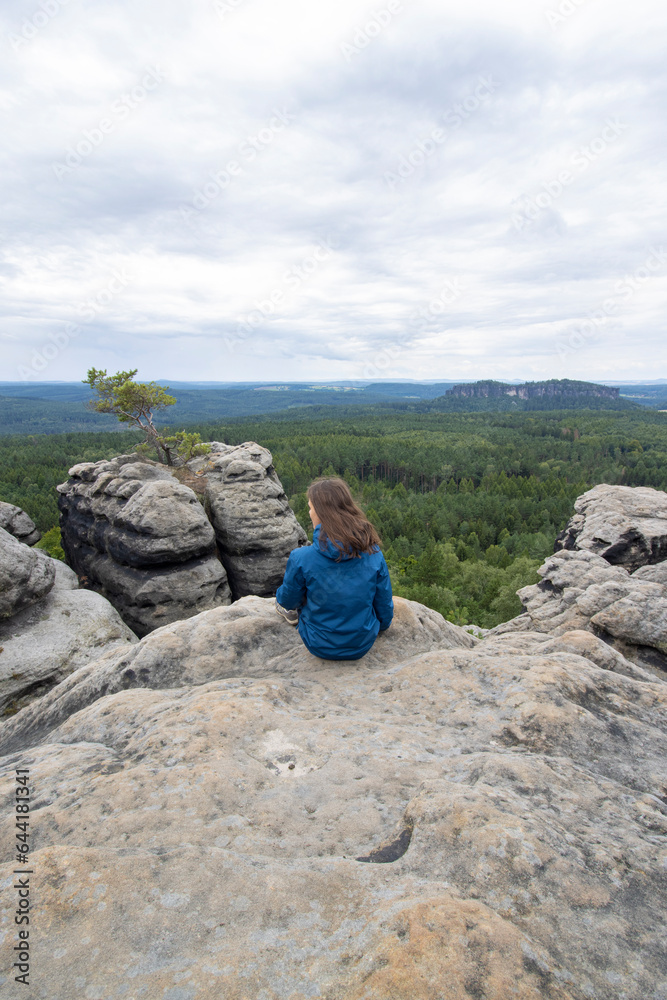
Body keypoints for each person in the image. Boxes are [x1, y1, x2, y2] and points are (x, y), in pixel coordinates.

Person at [275, 477, 393, 660]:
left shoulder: (301, 558)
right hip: (362, 643)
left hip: (318, 645)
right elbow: (383, 605)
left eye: (310, 507)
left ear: (320, 513)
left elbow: (287, 600)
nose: (309, 512)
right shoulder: (373, 552)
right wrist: (381, 627)